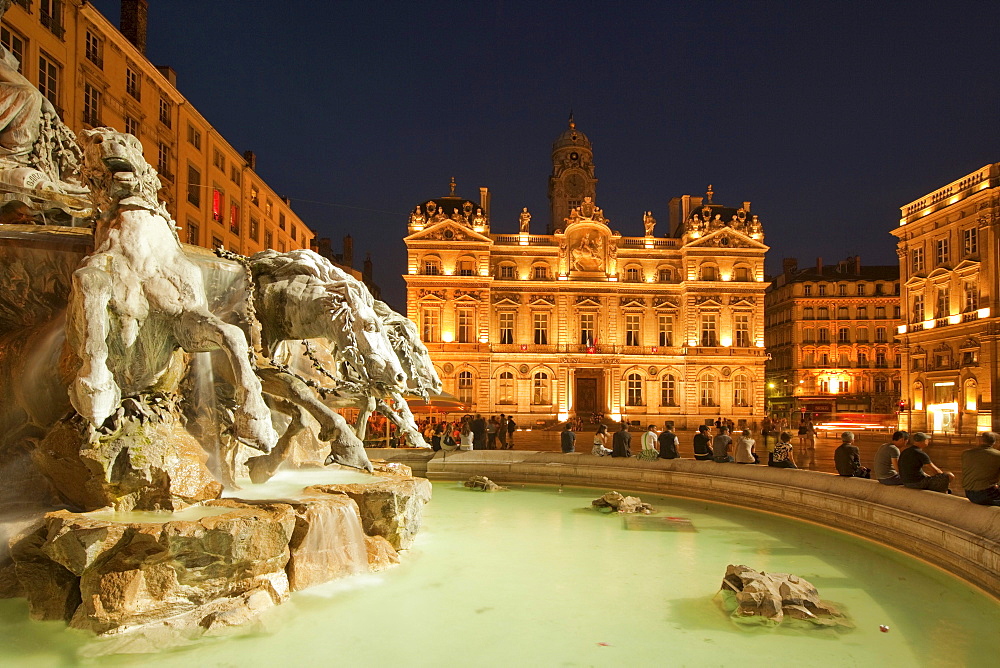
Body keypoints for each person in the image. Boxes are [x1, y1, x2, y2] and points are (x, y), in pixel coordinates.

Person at [961, 432, 1000, 506]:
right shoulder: (997, 455)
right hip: (987, 494)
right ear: (994, 442)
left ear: (979, 441)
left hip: (969, 493)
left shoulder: (966, 454)